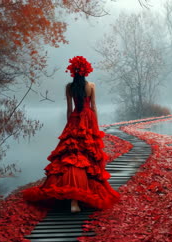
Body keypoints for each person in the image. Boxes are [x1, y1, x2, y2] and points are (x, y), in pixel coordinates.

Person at [21, 56, 120, 213]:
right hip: (88, 119)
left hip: (75, 118)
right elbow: (94, 107)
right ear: (86, 70)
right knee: (86, 156)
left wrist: (69, 125)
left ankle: (70, 196)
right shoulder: (92, 86)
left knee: (71, 155)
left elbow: (69, 108)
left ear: (73, 71)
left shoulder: (69, 87)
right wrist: (95, 126)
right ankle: (78, 196)